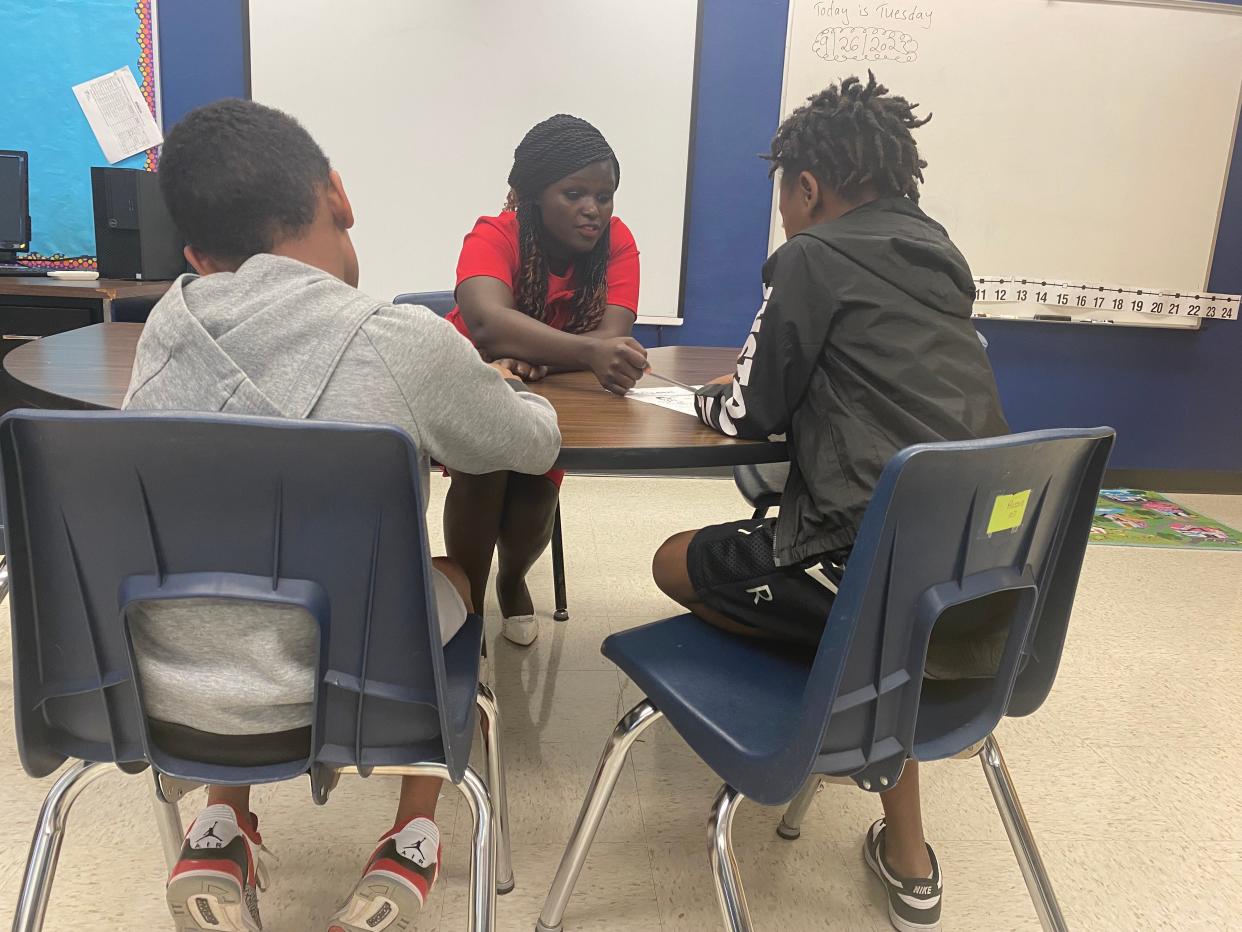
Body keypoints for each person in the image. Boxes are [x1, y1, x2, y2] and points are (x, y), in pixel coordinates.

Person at [122, 99, 561, 932]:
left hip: (176, 689)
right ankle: (414, 830)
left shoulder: (161, 335)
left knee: (235, 565)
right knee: (442, 576)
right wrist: (497, 385)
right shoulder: (402, 339)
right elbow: (532, 446)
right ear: (338, 194)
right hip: (357, 680)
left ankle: (220, 825)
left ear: (195, 255)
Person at [651, 73, 1010, 932]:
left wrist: (696, 396)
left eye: (784, 198)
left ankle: (827, 704)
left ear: (806, 187)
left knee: (672, 560)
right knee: (886, 584)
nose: (783, 216)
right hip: (988, 596)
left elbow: (748, 409)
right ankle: (909, 858)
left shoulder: (813, 256)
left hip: (877, 593)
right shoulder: (940, 255)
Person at [444, 114, 647, 646]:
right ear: (532, 195)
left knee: (537, 490)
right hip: (474, 382)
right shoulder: (495, 233)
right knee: (485, 474)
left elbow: (615, 340)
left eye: (605, 196)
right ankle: (469, 606)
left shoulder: (618, 244)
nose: (593, 209)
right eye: (574, 193)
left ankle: (511, 581)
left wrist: (538, 357)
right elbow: (486, 323)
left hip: (551, 394)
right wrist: (581, 352)